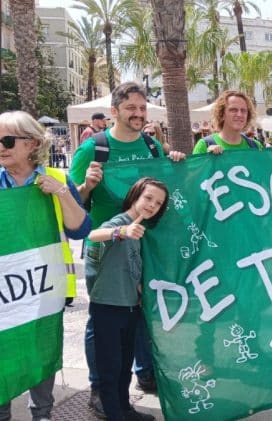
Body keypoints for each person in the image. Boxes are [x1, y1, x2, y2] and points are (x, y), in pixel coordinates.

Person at [70, 81, 186, 417]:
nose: (137, 114)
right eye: (130, 108)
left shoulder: (152, 146)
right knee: (103, 321)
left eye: (141, 108)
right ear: (115, 111)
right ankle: (99, 389)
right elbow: (73, 205)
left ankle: (137, 378)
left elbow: (164, 188)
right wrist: (87, 185)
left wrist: (175, 160)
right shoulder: (94, 148)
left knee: (135, 315)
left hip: (144, 243)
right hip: (107, 247)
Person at [0, 110, 92, 421]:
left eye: (8, 140)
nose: (1, 146)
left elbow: (80, 229)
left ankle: (43, 414)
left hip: (43, 285)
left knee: (41, 348)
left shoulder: (56, 179)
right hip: (4, 287)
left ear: (33, 143)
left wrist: (62, 193)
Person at [87, 177, 169, 421]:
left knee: (124, 366)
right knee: (109, 369)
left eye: (158, 203)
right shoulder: (121, 222)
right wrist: (121, 231)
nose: (152, 205)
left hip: (131, 307)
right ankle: (115, 415)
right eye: (148, 198)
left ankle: (124, 409)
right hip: (107, 306)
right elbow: (92, 235)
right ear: (135, 195)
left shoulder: (143, 229)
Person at [193, 90, 272, 155]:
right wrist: (206, 159)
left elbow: (265, 176)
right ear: (222, 114)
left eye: (244, 111)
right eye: (233, 110)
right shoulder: (204, 145)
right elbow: (192, 179)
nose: (239, 114)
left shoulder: (255, 146)